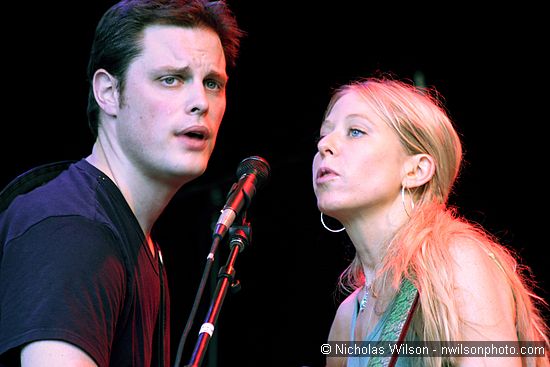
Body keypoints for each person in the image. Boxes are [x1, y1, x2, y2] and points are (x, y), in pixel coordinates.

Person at [0, 0, 243, 366]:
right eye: (171, 79)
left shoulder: (128, 234)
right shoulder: (74, 230)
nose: (200, 102)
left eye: (212, 83)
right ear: (109, 92)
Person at [312, 76, 549, 367]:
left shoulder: (456, 263)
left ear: (417, 169)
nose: (326, 145)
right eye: (324, 135)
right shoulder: (347, 319)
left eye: (356, 131)